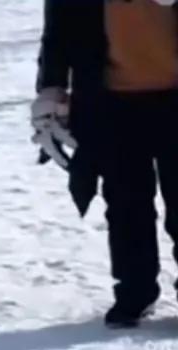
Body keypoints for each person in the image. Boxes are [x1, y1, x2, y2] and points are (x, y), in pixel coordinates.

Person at [34, 0, 178, 328]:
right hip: (112, 104)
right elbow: (58, 32)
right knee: (126, 205)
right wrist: (51, 89)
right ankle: (134, 293)